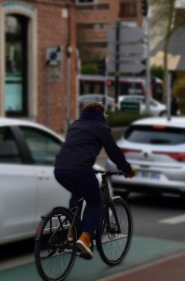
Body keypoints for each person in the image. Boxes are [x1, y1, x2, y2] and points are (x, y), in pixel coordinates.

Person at [54, 102, 136, 259]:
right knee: (95, 203)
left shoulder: (75, 124)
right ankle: (85, 237)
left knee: (76, 195)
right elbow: (113, 152)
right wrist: (126, 169)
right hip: (81, 170)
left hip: (60, 170)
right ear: (101, 114)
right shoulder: (101, 128)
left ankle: (73, 232)